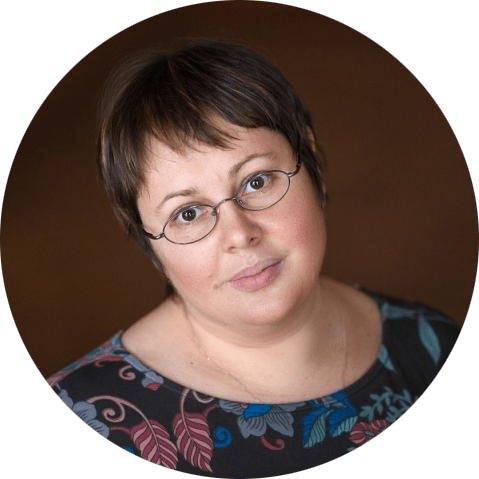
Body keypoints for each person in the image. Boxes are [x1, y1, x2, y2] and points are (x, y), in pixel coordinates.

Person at [47, 39, 459, 477]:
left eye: (257, 181)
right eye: (188, 214)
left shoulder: (434, 348)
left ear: (310, 159)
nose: (240, 235)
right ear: (146, 237)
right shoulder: (75, 424)